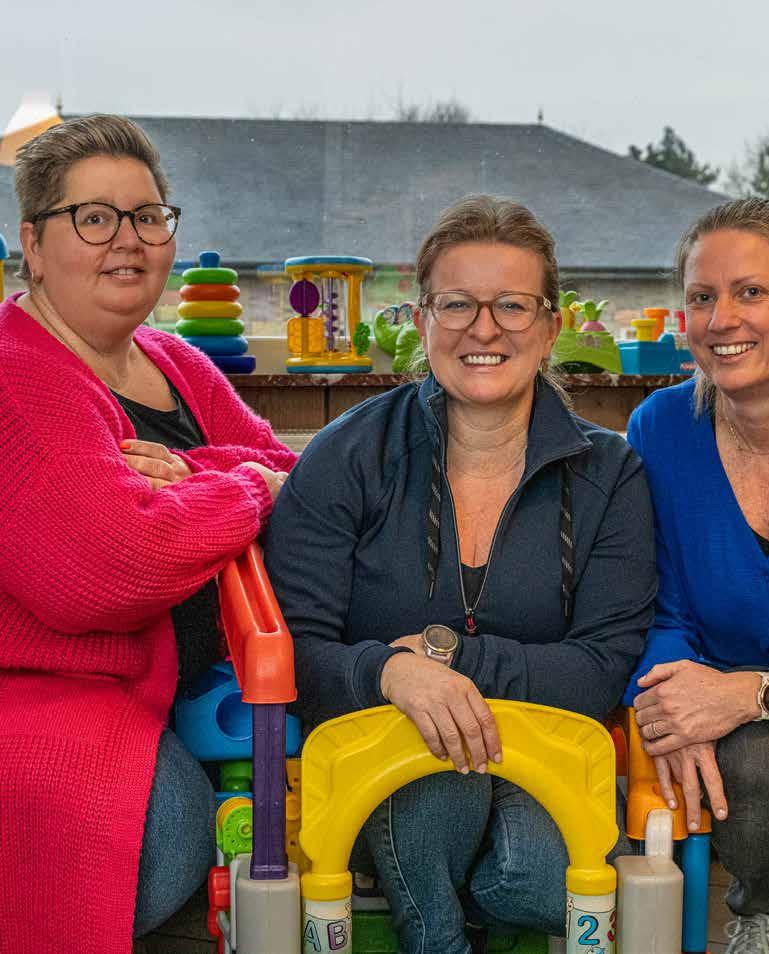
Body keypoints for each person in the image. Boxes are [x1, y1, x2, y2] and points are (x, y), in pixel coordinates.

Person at [265, 195, 656, 952]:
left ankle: (478, 905)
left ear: (550, 327)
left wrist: (448, 661)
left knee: (536, 881)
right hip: (385, 745)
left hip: (550, 744)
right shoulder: (349, 455)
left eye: (511, 304)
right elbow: (294, 653)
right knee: (434, 811)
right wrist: (389, 674)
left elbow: (602, 668)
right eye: (457, 304)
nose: (483, 329)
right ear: (421, 322)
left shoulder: (610, 473)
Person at [0, 114, 297, 954]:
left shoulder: (176, 361)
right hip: (54, 694)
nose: (127, 240)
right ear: (34, 243)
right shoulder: (15, 373)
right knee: (164, 842)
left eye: (147, 216)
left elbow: (301, 485)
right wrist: (249, 487)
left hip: (200, 690)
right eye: (94, 218)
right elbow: (108, 565)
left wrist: (196, 474)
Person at [624, 197, 769, 954]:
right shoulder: (661, 429)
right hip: (766, 741)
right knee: (756, 765)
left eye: (750, 291)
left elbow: (754, 696)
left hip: (768, 703)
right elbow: (660, 607)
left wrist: (759, 691)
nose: (722, 320)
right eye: (702, 297)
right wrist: (669, 705)